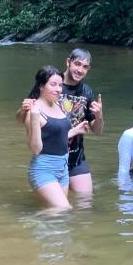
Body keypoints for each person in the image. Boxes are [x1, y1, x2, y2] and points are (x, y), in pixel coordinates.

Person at [19, 47, 103, 195]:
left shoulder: (87, 92)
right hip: (50, 155)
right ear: (68, 62)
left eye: (85, 67)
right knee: (60, 208)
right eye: (77, 64)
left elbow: (96, 130)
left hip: (76, 156)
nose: (80, 70)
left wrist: (99, 116)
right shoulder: (50, 83)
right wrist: (23, 110)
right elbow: (25, 116)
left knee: (85, 202)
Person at [24, 66, 90, 210]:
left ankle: (40, 229)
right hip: (44, 169)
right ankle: (28, 221)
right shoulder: (34, 111)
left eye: (60, 85)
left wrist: (75, 131)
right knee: (63, 209)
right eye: (53, 85)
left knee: (55, 215)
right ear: (41, 86)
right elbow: (35, 149)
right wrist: (34, 118)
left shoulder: (57, 105)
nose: (58, 89)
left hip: (63, 168)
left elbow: (55, 137)